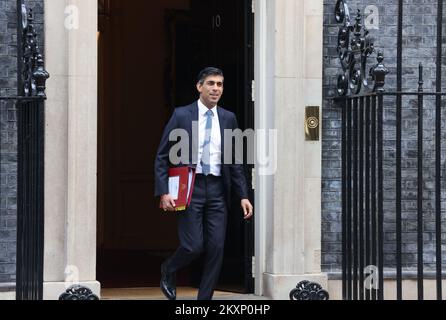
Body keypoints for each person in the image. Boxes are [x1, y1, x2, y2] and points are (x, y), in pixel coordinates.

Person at [154, 67, 254, 300]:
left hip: (219, 189)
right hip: (191, 188)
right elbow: (162, 155)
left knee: (217, 248)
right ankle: (169, 268)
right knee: (193, 246)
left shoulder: (229, 118)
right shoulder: (181, 114)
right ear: (199, 87)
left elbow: (234, 161)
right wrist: (163, 191)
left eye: (219, 84)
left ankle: (204, 301)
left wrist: (243, 195)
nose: (216, 88)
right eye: (211, 83)